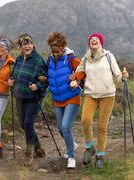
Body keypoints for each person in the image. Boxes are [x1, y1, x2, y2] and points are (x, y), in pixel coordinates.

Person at [69, 33, 129, 168]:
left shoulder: (108, 56)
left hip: (107, 95)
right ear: (89, 44)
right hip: (90, 94)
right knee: (85, 121)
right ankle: (90, 148)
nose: (93, 40)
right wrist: (76, 81)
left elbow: (118, 75)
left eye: (96, 39)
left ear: (100, 43)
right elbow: (79, 73)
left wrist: (124, 77)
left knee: (102, 127)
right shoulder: (85, 59)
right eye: (91, 39)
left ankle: (100, 155)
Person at [8, 33, 48, 166]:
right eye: (24, 44)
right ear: (20, 46)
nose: (27, 46)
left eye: (29, 43)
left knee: (29, 123)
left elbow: (45, 79)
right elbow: (14, 74)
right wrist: (11, 81)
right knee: (23, 125)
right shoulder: (19, 59)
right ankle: (39, 148)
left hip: (33, 97)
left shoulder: (38, 60)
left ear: (33, 44)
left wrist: (37, 86)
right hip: (20, 96)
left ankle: (29, 153)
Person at [46, 32, 81, 169]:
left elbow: (83, 71)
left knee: (66, 126)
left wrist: (76, 78)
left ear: (63, 46)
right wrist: (42, 79)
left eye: (57, 49)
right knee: (61, 128)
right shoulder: (49, 60)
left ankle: (71, 155)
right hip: (57, 100)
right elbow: (44, 72)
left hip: (72, 97)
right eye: (53, 50)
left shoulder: (71, 58)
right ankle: (72, 143)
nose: (55, 53)